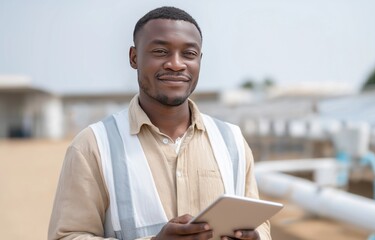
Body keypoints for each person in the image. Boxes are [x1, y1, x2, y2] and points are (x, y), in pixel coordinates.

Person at [48, 6, 271, 240]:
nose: (176, 64)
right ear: (134, 57)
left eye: (189, 54)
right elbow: (67, 236)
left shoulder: (232, 141)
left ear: (200, 60)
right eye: (161, 51)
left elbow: (259, 224)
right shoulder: (92, 145)